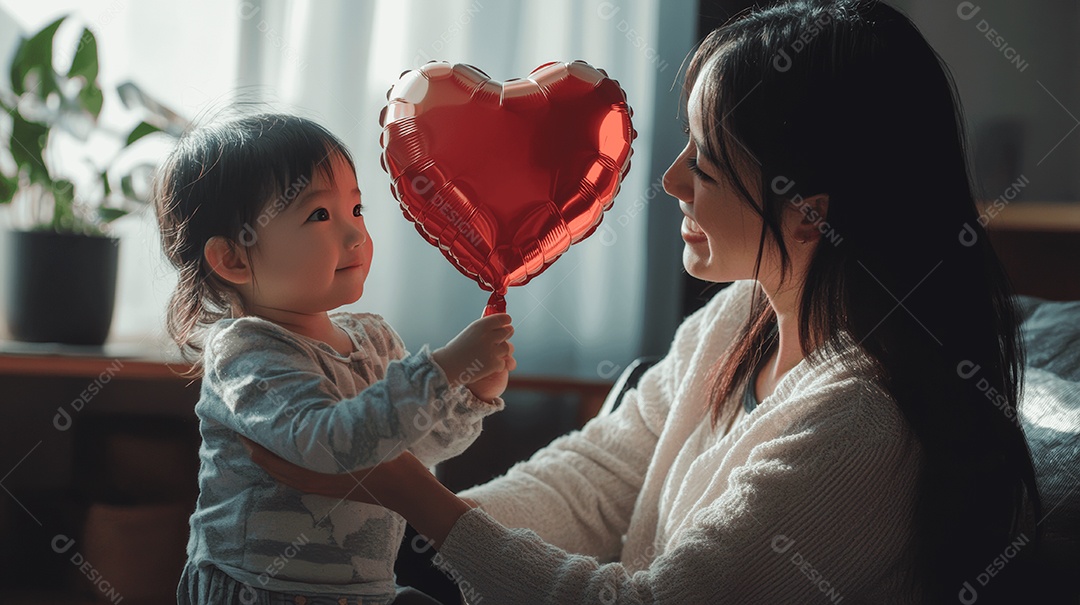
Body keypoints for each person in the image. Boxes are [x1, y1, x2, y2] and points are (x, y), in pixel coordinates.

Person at [245, 1, 1042, 602]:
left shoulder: (864, 425)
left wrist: (405, 490)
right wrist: (395, 523)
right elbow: (592, 479)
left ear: (810, 211)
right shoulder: (739, 317)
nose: (670, 181)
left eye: (710, 163)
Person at [154, 112, 515, 604]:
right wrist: (442, 368)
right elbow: (328, 444)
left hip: (363, 590)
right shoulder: (246, 352)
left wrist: (471, 393)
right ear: (234, 258)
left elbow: (409, 451)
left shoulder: (374, 338)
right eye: (319, 215)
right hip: (261, 589)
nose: (356, 235)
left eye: (358, 210)